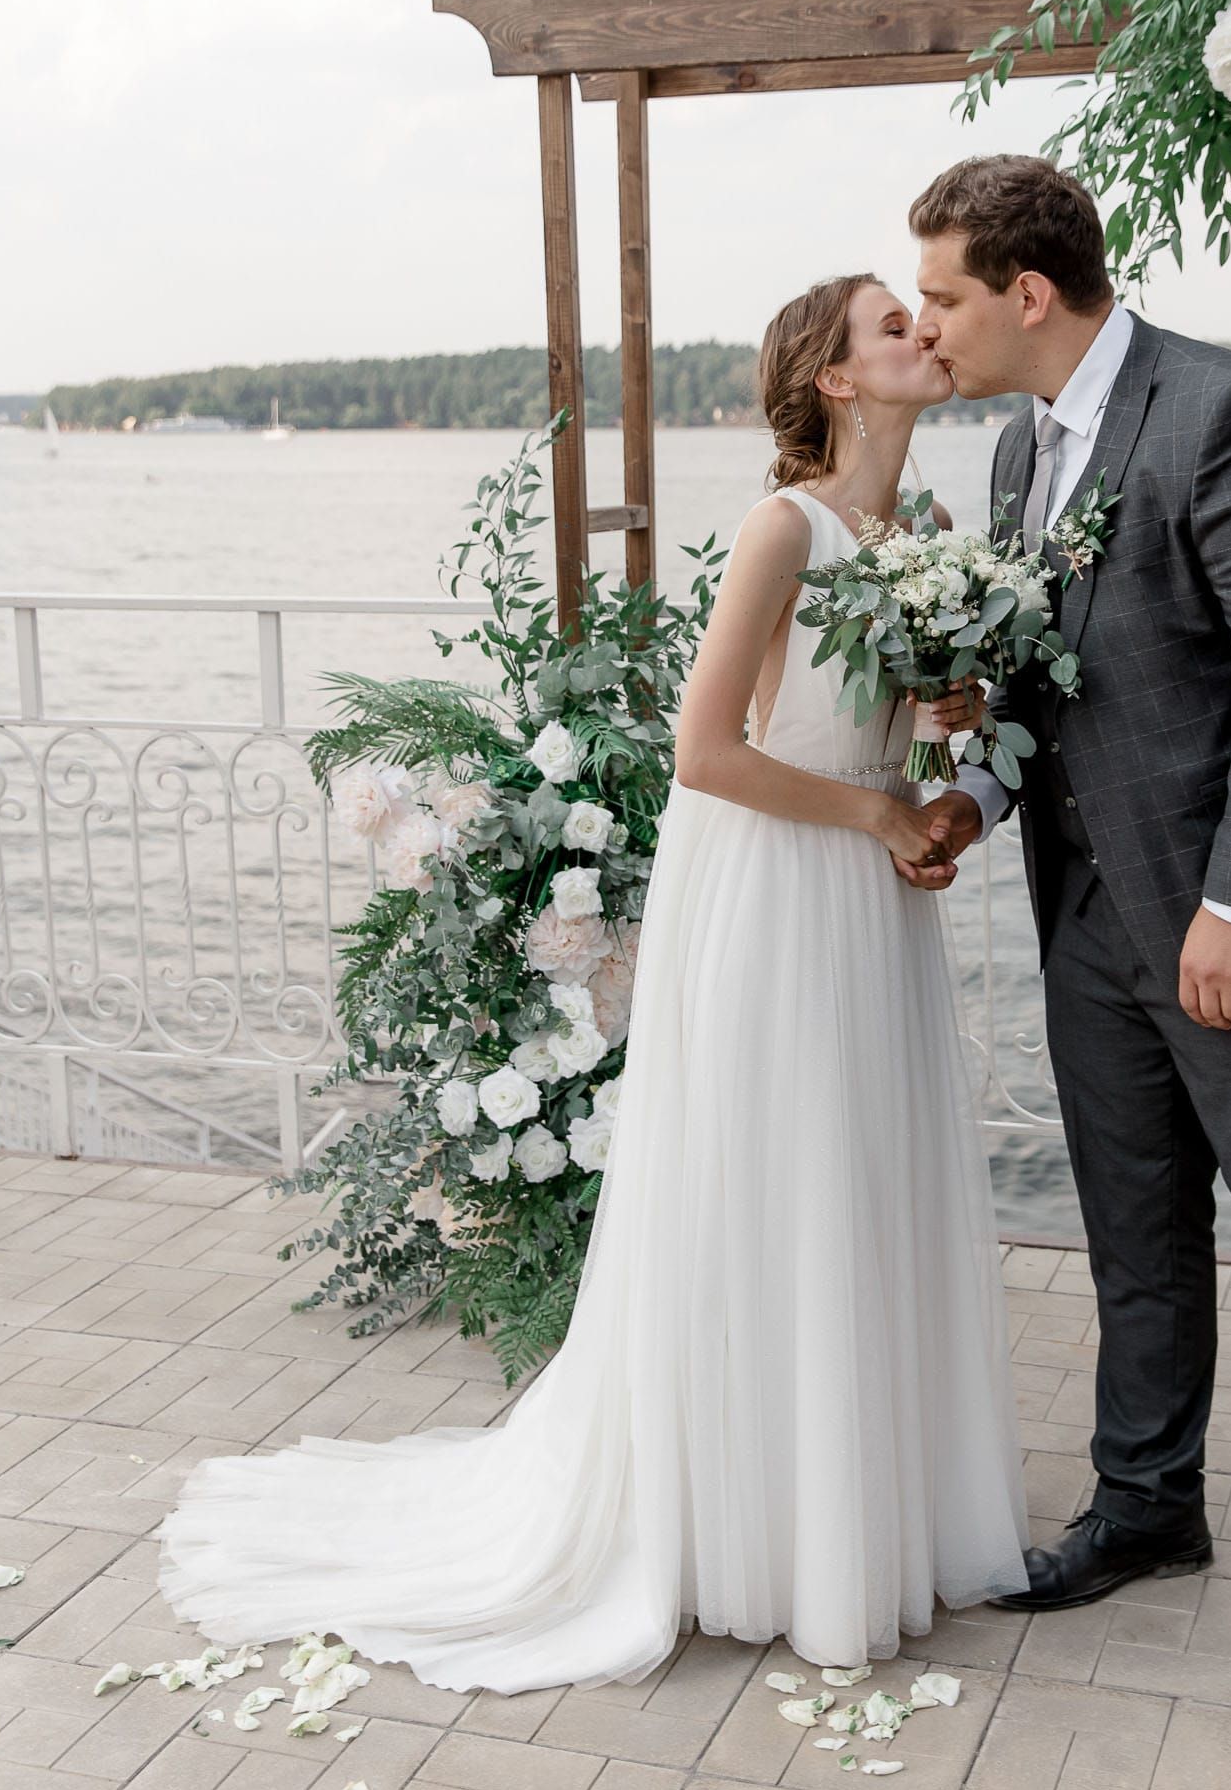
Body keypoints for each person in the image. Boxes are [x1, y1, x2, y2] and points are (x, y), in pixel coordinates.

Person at [153, 272, 1029, 1693]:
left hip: (872, 899)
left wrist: (940, 755)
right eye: (890, 324)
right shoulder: (782, 529)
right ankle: (741, 1530)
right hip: (773, 883)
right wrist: (874, 814)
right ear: (836, 381)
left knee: (863, 1177)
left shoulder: (924, 529)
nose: (922, 335)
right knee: (770, 1179)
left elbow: (916, 732)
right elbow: (706, 754)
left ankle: (856, 1514)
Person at [899, 154, 1231, 1749]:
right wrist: (971, 791)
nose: (928, 328)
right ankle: (1147, 1504)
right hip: (1090, 917)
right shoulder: (1016, 452)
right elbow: (1051, 692)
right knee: (1136, 1236)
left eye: (941, 298)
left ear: (1028, 292)